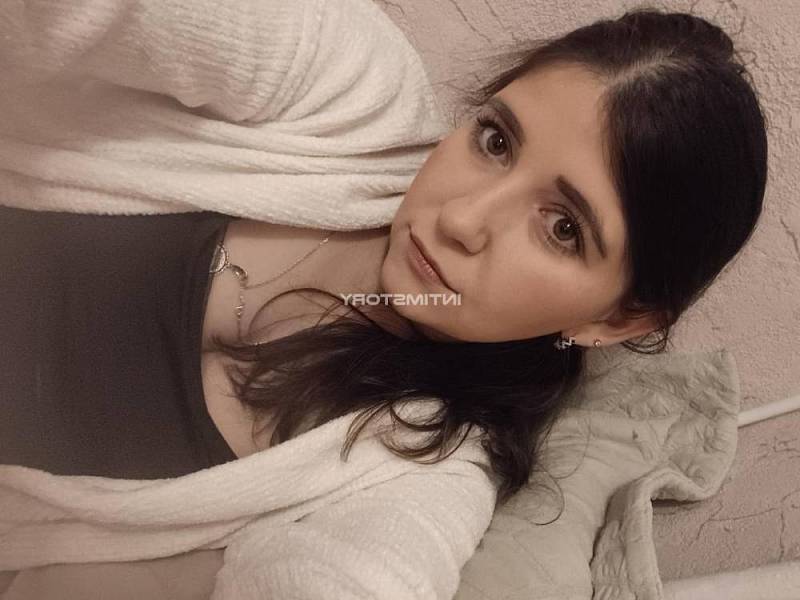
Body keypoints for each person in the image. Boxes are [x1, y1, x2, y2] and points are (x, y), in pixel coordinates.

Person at [0, 1, 768, 597]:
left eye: (563, 228)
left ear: (615, 318)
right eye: (495, 141)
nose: (462, 219)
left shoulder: (422, 469)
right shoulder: (348, 88)